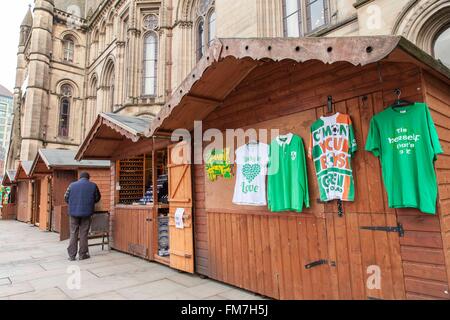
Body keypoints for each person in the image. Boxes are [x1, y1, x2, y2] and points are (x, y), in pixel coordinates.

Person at [64, 172, 101, 261]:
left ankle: (72, 256)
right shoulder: (93, 185)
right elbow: (97, 198)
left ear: (79, 178)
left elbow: (66, 197)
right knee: (84, 233)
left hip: (73, 213)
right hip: (87, 213)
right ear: (88, 178)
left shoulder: (72, 185)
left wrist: (73, 204)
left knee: (73, 233)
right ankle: (82, 254)